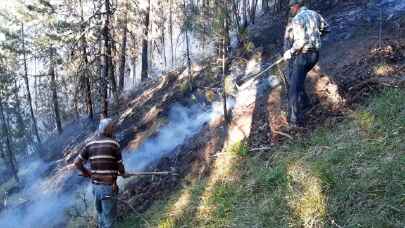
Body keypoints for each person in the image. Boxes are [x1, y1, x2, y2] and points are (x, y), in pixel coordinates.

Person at [283, 0, 329, 127]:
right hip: (315, 56)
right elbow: (326, 29)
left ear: (297, 6)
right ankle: (305, 103)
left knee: (293, 88)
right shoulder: (315, 14)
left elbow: (300, 42)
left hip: (304, 56)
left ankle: (295, 120)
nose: (291, 9)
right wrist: (314, 37)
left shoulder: (297, 19)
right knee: (298, 78)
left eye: (291, 6)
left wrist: (289, 52)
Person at [74, 118, 126, 228]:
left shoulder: (90, 144)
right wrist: (123, 173)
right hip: (108, 187)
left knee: (101, 217)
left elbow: (77, 163)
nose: (114, 130)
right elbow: (120, 166)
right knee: (109, 221)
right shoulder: (114, 144)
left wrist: (88, 174)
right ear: (107, 129)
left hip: (95, 187)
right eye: (113, 128)